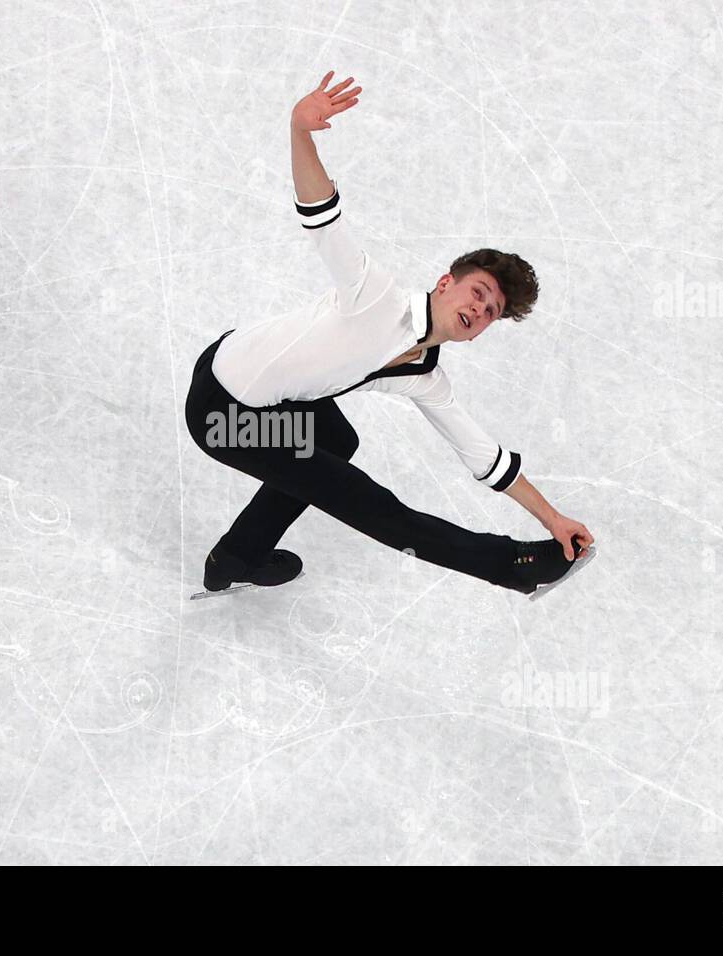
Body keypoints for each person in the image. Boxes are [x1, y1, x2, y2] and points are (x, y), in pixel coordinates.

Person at [184, 71, 595, 597]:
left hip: (248, 376)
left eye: (491, 311)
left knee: (336, 439)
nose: (479, 309)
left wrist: (552, 518)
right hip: (223, 412)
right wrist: (299, 130)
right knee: (374, 507)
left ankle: (234, 558)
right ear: (446, 283)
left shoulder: (425, 373)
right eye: (477, 292)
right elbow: (322, 217)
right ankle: (513, 565)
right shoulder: (376, 297)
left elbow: (484, 457)